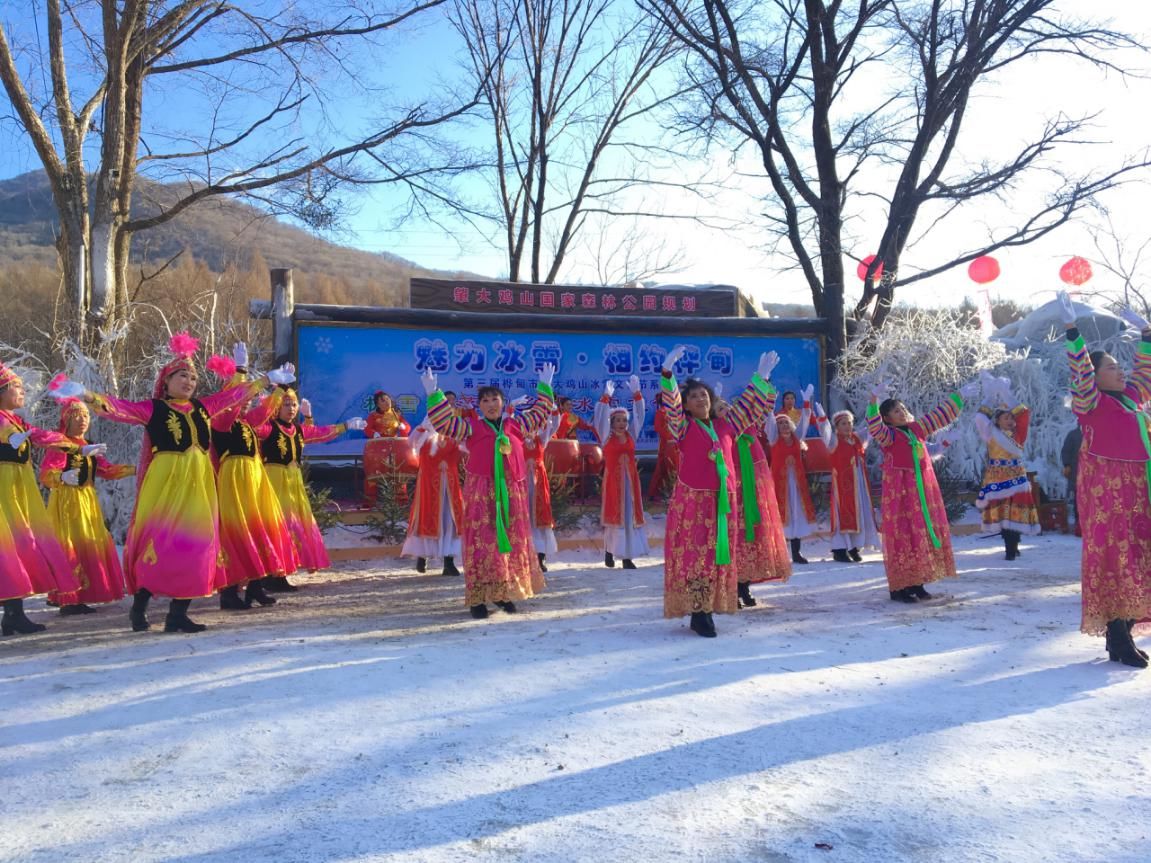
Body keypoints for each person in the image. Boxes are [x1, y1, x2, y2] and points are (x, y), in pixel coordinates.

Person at [53, 334, 297, 633]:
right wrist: (87, 395)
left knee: (198, 546)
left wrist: (267, 380)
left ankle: (177, 613)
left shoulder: (203, 407)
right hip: (166, 484)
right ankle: (140, 606)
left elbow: (234, 396)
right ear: (166, 381)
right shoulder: (153, 409)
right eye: (183, 376)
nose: (190, 381)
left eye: (194, 378)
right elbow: (117, 408)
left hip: (199, 484)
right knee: (160, 546)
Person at [421, 363, 556, 620]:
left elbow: (540, 413)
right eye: (485, 400)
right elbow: (444, 423)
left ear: (503, 403)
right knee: (482, 546)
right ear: (479, 406)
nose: (491, 404)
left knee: (510, 546)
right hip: (482, 495)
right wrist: (433, 393)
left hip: (512, 493)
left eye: (495, 399)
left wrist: (545, 386)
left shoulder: (516, 425)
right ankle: (478, 600)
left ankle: (503, 594)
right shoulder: (472, 428)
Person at [660, 346, 778, 638]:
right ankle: (699, 613)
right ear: (686, 405)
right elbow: (671, 408)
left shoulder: (726, 425)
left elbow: (748, 408)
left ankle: (709, 608)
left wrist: (761, 379)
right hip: (693, 502)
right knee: (696, 556)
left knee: (717, 556)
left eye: (704, 395)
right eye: (694, 396)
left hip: (722, 502)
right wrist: (667, 375)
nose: (701, 398)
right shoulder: (683, 428)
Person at [1061, 294, 1151, 668]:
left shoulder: (1131, 398)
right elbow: (1080, 373)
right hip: (1107, 494)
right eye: (1112, 366)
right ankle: (1117, 634)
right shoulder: (1090, 402)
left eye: (1119, 365)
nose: (1121, 370)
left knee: (1141, 556)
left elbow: (1146, 372)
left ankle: (1125, 629)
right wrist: (1072, 333)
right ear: (1096, 375)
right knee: (1116, 559)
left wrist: (1147, 332)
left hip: (1139, 487)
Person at [867, 379, 976, 604]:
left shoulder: (917, 430)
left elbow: (938, 416)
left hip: (922, 492)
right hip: (901, 495)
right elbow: (874, 426)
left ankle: (918, 583)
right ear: (887, 418)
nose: (903, 412)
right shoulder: (889, 436)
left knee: (921, 534)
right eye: (897, 411)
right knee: (903, 535)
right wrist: (873, 400)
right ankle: (899, 588)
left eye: (904, 409)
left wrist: (959, 396)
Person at [208, 348, 299, 610]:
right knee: (236, 534)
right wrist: (240, 372)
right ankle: (228, 593)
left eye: (249, 398)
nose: (248, 401)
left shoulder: (247, 422)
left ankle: (255, 588)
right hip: (234, 480)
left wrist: (281, 387)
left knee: (258, 531)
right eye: (243, 398)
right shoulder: (222, 421)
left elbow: (267, 408)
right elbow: (230, 401)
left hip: (255, 478)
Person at [254, 387, 367, 590]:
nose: (290, 408)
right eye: (286, 404)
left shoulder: (297, 430)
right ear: (277, 407)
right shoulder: (268, 428)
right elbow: (253, 426)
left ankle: (281, 573)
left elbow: (322, 433)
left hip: (293, 481)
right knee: (275, 525)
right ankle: (270, 574)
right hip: (273, 480)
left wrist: (346, 426)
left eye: (293, 404)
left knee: (293, 526)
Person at [0, 363, 83, 635]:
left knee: (17, 546)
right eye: (18, 387)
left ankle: (13, 614)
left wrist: (76, 445)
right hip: (4, 489)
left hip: (17, 487)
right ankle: (13, 614)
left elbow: (40, 436)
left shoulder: (16, 420)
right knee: (8, 545)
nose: (23, 391)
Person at [40, 399, 135, 615]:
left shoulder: (89, 445)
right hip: (67, 501)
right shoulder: (59, 444)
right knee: (71, 545)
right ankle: (67, 598)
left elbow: (106, 470)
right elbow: (46, 474)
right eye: (77, 416)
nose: (83, 420)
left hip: (87, 499)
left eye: (86, 416)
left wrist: (135, 469)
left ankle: (80, 594)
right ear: (66, 419)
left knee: (87, 545)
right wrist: (62, 476)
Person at [721, 392, 790, 607]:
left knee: (754, 539)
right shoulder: (723, 433)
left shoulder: (750, 427)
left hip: (754, 496)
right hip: (733, 497)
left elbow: (766, 405)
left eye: (729, 408)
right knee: (735, 541)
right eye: (721, 409)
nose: (728, 412)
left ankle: (745, 586)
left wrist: (766, 383)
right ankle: (732, 588)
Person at [973, 375, 1040, 560]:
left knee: (1015, 510)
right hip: (997, 477)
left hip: (1016, 476)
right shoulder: (990, 433)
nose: (1010, 420)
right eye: (1005, 417)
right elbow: (979, 417)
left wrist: (1006, 394)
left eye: (1012, 417)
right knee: (1002, 511)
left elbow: (1024, 413)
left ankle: (1013, 545)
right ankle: (1010, 545)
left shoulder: (1019, 434)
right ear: (997, 421)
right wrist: (990, 396)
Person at [594, 376, 649, 570]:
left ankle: (627, 557)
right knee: (614, 519)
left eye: (625, 420)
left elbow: (640, 416)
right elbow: (599, 417)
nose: (622, 423)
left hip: (631, 483)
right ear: (611, 422)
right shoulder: (606, 436)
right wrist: (606, 398)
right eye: (618, 420)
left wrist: (637, 395)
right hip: (613, 484)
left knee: (629, 519)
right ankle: (610, 551)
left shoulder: (631, 435)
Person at [814, 404, 879, 563]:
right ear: (837, 426)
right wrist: (822, 419)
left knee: (860, 512)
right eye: (843, 423)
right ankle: (839, 550)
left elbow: (872, 426)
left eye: (850, 422)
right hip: (843, 486)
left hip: (859, 484)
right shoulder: (834, 441)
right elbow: (825, 431)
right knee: (843, 514)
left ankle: (855, 547)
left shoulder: (857, 438)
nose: (848, 426)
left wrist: (874, 403)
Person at [401, 416, 465, 577]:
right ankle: (422, 557)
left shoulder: (454, 435)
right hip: (429, 486)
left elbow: (464, 450)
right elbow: (410, 443)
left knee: (449, 521)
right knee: (427, 518)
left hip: (449, 486)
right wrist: (422, 427)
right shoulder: (424, 434)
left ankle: (448, 564)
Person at [766, 384, 816, 564]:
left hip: (796, 485)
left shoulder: (797, 438)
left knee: (797, 517)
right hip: (779, 485)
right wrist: (770, 404)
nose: (783, 425)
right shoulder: (773, 439)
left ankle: (796, 553)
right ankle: (778, 555)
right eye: (780, 423)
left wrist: (806, 402)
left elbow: (804, 420)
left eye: (785, 422)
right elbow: (769, 420)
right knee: (779, 517)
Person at [520, 396, 560, 572]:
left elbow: (555, 424)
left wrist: (552, 405)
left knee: (540, 519)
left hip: (538, 483)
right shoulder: (517, 441)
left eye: (533, 423)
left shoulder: (541, 439)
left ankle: (540, 558)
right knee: (523, 518)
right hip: (520, 483)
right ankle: (523, 558)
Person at [646, 389, 681, 502]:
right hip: (667, 444)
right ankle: (657, 492)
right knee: (665, 467)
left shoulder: (676, 412)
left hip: (677, 444)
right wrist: (669, 438)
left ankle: (673, 492)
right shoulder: (661, 412)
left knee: (676, 466)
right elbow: (658, 427)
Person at [1061, 425, 1083, 536]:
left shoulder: (1097, 432)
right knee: (1078, 500)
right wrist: (1067, 465)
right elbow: (1065, 451)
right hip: (1076, 472)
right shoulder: (1073, 434)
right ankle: (1079, 526)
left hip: (1094, 474)